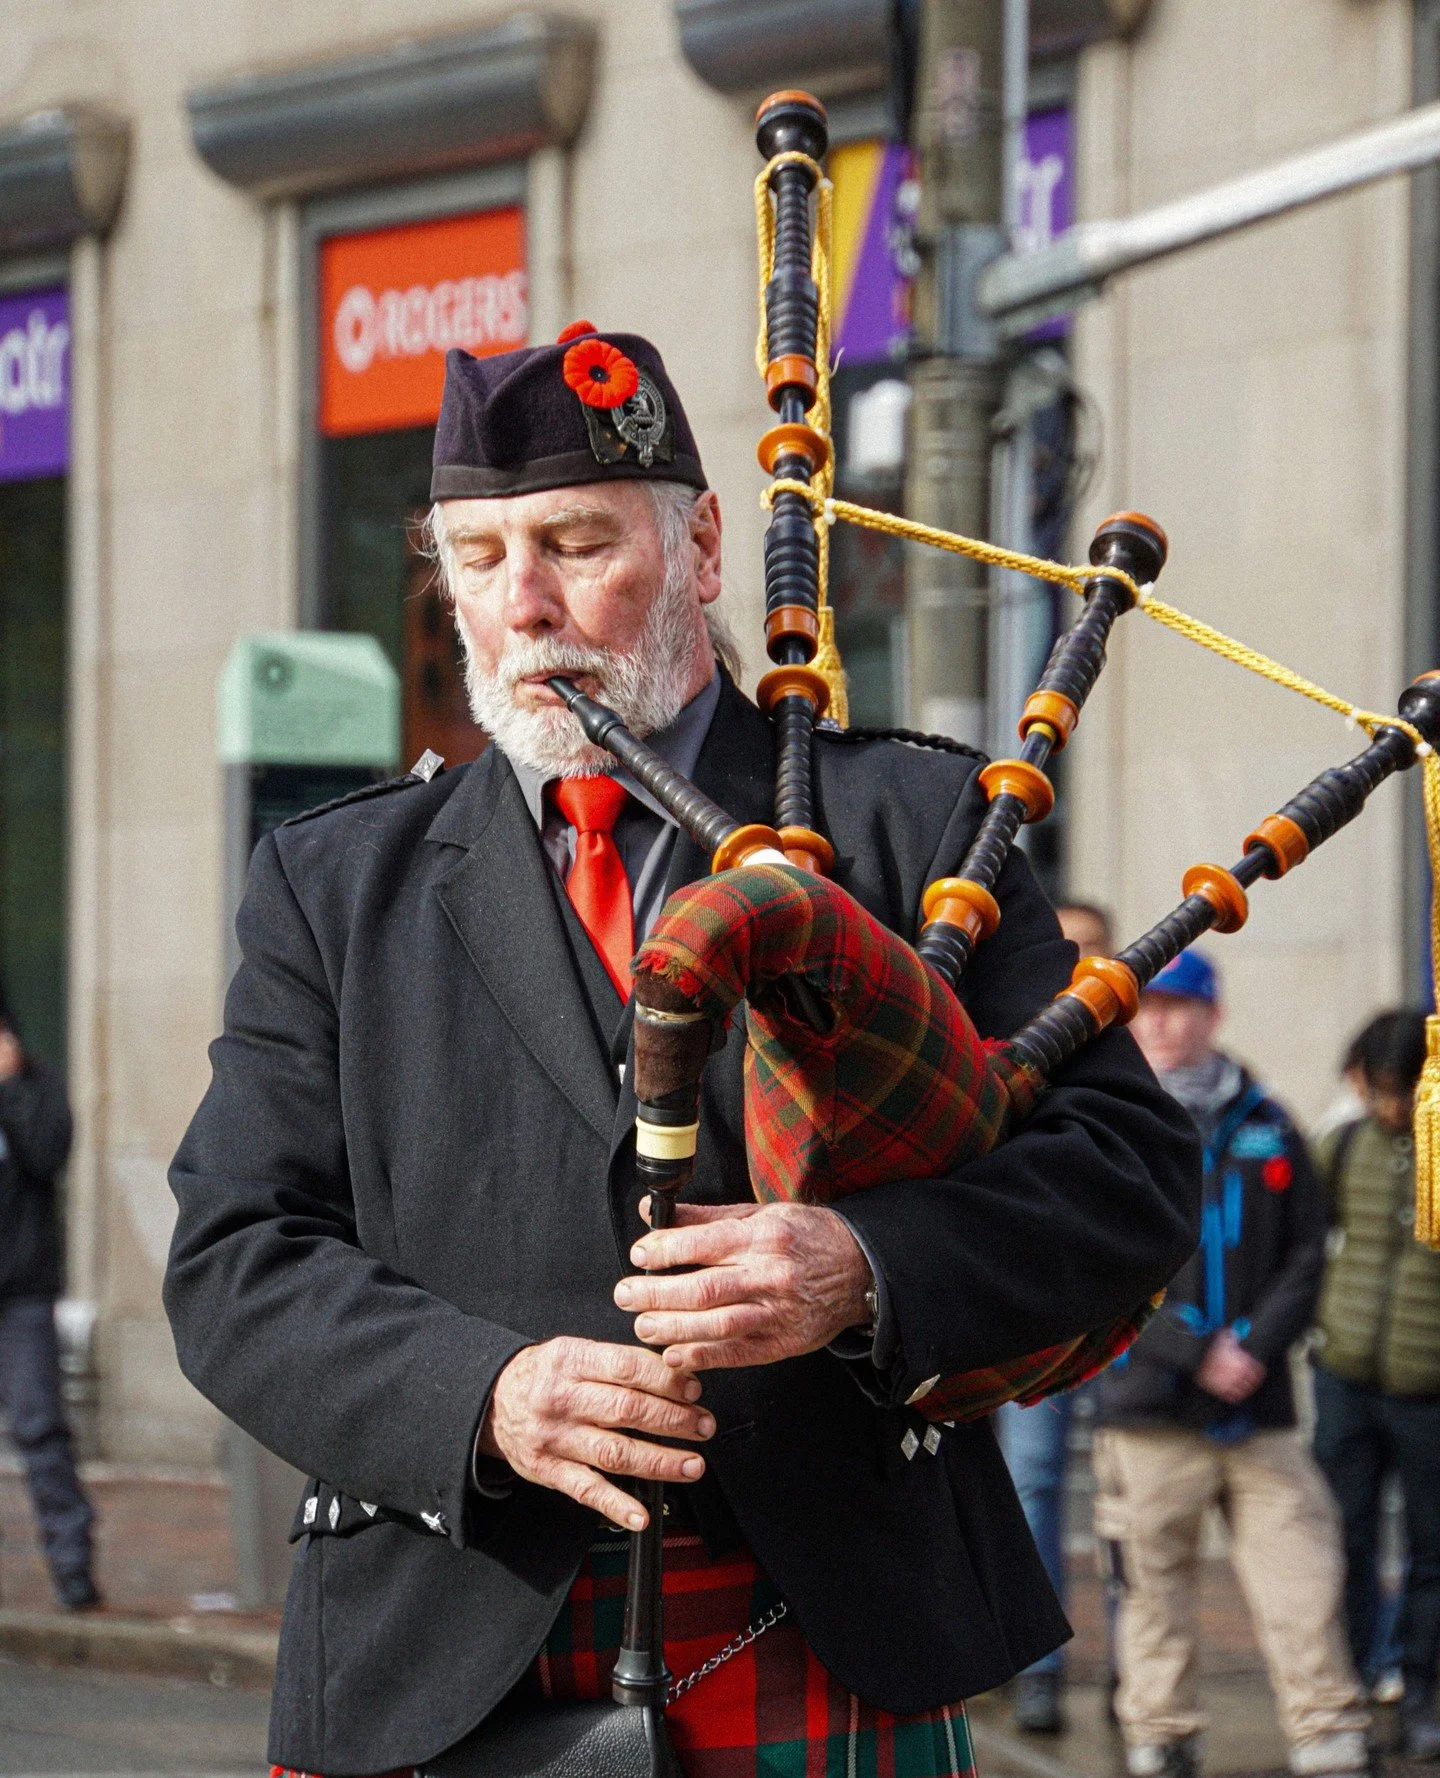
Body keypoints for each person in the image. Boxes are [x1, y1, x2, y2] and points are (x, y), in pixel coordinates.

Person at [163, 326, 1199, 1778]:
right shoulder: (337, 888)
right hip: (441, 1639)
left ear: (705, 546)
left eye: (576, 542)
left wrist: (863, 1265)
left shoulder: (910, 825)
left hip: (821, 1614)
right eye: (475, 556)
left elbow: (1131, 1179)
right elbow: (237, 1256)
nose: (522, 605)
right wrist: (485, 1395)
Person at [1093, 950, 1368, 1778]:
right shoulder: (1108, 1127)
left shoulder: (1270, 1121)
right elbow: (1100, 1267)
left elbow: (1308, 1256)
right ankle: (1161, 1737)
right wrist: (1192, 1349)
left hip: (1259, 1412)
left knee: (1303, 1580)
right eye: (1149, 1009)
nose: (1164, 1023)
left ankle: (1329, 1735)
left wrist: (1249, 1347)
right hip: (1148, 1412)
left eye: (1181, 1007)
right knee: (1151, 1595)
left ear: (1213, 1015)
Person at [998, 899, 1115, 1734]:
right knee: (1032, 1486)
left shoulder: (1127, 1052)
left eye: (1092, 949)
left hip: (1126, 1325)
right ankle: (1038, 1670)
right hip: (1024, 1317)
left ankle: (1131, 1674)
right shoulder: (1002, 1043)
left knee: (1126, 1503)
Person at [1312, 1009, 1440, 1759]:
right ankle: (1354, 1676)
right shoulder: (1344, 1143)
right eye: (1379, 1089)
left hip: (1428, 1386)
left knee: (1431, 1549)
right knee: (1344, 1537)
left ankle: (1421, 1690)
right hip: (1346, 1376)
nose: (1390, 1107)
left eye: (1404, 1091)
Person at [0, 988, 96, 1610]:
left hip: (21, 1292)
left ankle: (74, 1573)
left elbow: (49, 1153)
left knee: (40, 1431)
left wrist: (12, 1087)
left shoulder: (34, 1084)